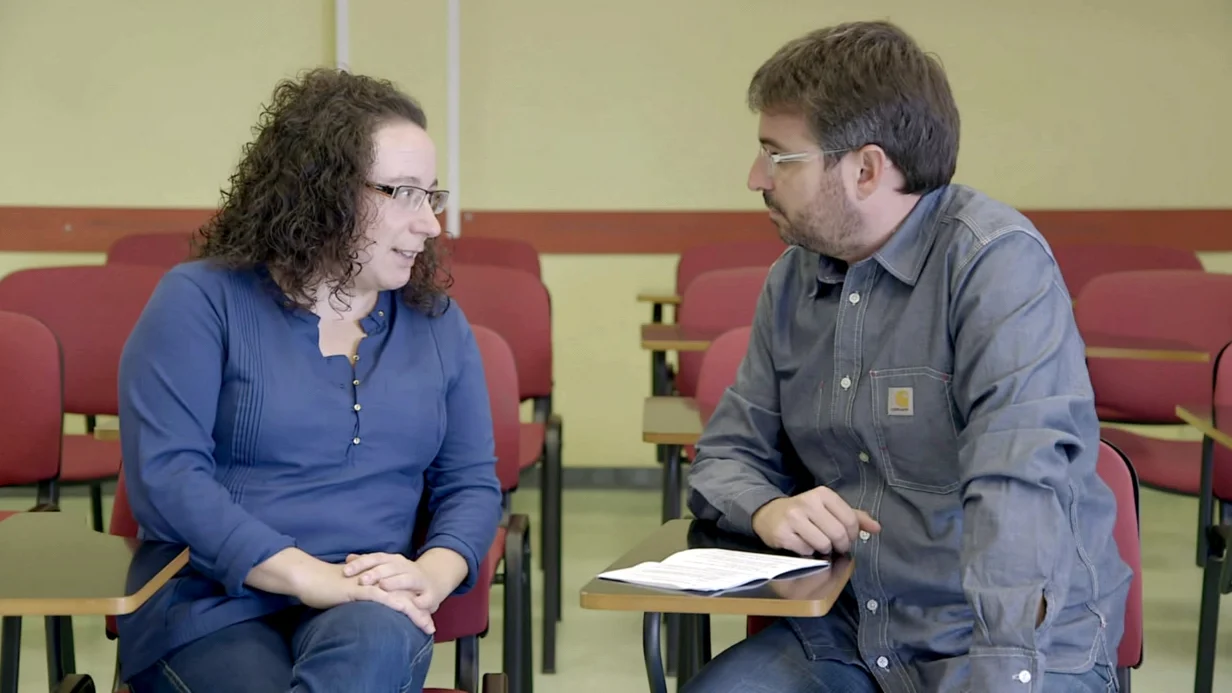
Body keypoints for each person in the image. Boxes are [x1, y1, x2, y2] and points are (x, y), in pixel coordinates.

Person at [685, 21, 1131, 693]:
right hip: (848, 632)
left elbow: (1016, 491)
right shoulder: (791, 281)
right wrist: (765, 508)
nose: (755, 179)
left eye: (778, 157)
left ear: (866, 168)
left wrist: (1004, 674)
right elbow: (725, 457)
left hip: (997, 640)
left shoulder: (994, 265)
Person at [115, 68, 502, 693]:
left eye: (431, 195)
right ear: (323, 192)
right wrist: (306, 576)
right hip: (210, 597)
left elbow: (471, 483)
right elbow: (167, 477)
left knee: (369, 650)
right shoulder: (199, 300)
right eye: (402, 193)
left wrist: (433, 571)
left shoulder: (437, 325)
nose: (430, 223)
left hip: (370, 599)